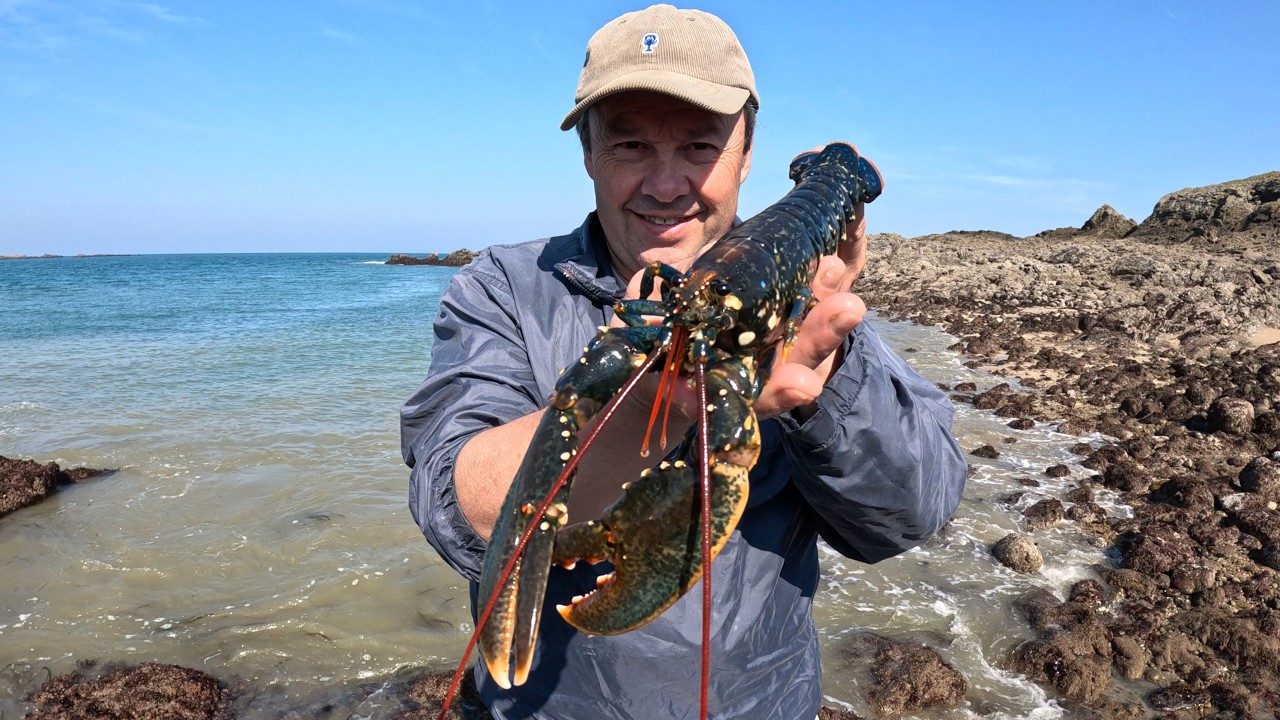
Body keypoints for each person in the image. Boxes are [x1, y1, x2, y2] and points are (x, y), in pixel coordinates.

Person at [400, 5, 966, 718]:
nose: (666, 186)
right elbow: (453, 508)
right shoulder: (504, 288)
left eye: (700, 147)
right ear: (589, 155)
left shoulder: (816, 315)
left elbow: (906, 520)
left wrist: (829, 383)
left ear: (746, 154)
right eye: (630, 146)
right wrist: (647, 405)